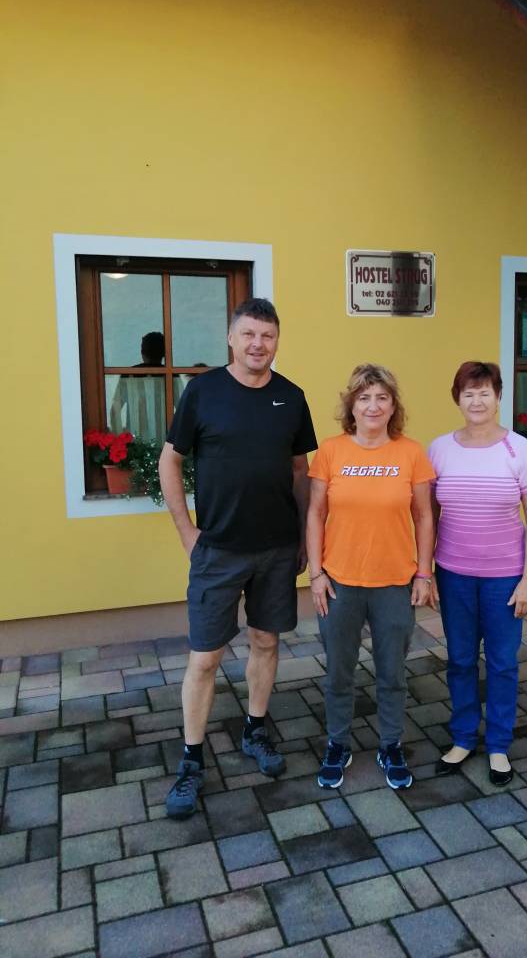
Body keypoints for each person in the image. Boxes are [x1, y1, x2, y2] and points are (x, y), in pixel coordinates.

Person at [159, 297, 317, 819]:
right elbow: (169, 462)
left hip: (276, 549)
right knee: (205, 657)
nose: (258, 344)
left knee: (266, 641)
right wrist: (187, 533)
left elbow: (300, 471)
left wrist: (303, 536)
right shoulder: (203, 392)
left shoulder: (291, 397)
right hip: (219, 551)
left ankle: (255, 728)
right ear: (231, 338)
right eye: (248, 334)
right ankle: (191, 759)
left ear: (277, 341)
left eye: (267, 336)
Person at [306, 364, 434, 790]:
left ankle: (390, 744)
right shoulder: (331, 451)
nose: (373, 406)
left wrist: (424, 573)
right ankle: (337, 743)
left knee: (392, 672)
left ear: (393, 406)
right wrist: (316, 574)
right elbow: (315, 514)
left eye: (382, 398)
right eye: (364, 398)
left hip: (395, 583)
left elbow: (424, 516)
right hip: (339, 582)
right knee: (339, 672)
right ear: (352, 406)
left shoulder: (411, 453)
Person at [428, 361, 527, 785]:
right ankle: (463, 737)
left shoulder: (519, 449)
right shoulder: (439, 449)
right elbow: (429, 516)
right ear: (457, 399)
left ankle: (497, 744)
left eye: (484, 392)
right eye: (468, 393)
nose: (476, 401)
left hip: (505, 578)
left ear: (498, 397)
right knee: (460, 659)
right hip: (454, 574)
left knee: (501, 663)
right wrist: (426, 571)